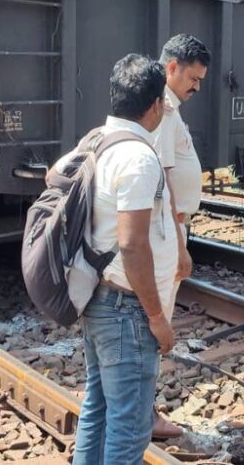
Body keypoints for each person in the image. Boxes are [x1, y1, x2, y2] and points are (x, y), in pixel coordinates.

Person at [73, 54, 177, 465]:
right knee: (129, 426)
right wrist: (156, 316)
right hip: (126, 310)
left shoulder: (96, 139)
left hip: (99, 299)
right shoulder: (137, 156)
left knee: (98, 410)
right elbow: (132, 244)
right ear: (154, 105)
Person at [149, 33, 210, 439]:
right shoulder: (163, 111)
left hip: (170, 227)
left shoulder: (168, 107)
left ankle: (139, 408)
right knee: (155, 323)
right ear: (172, 68)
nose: (197, 87)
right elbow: (162, 182)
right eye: (193, 77)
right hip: (166, 231)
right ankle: (145, 413)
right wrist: (180, 244)